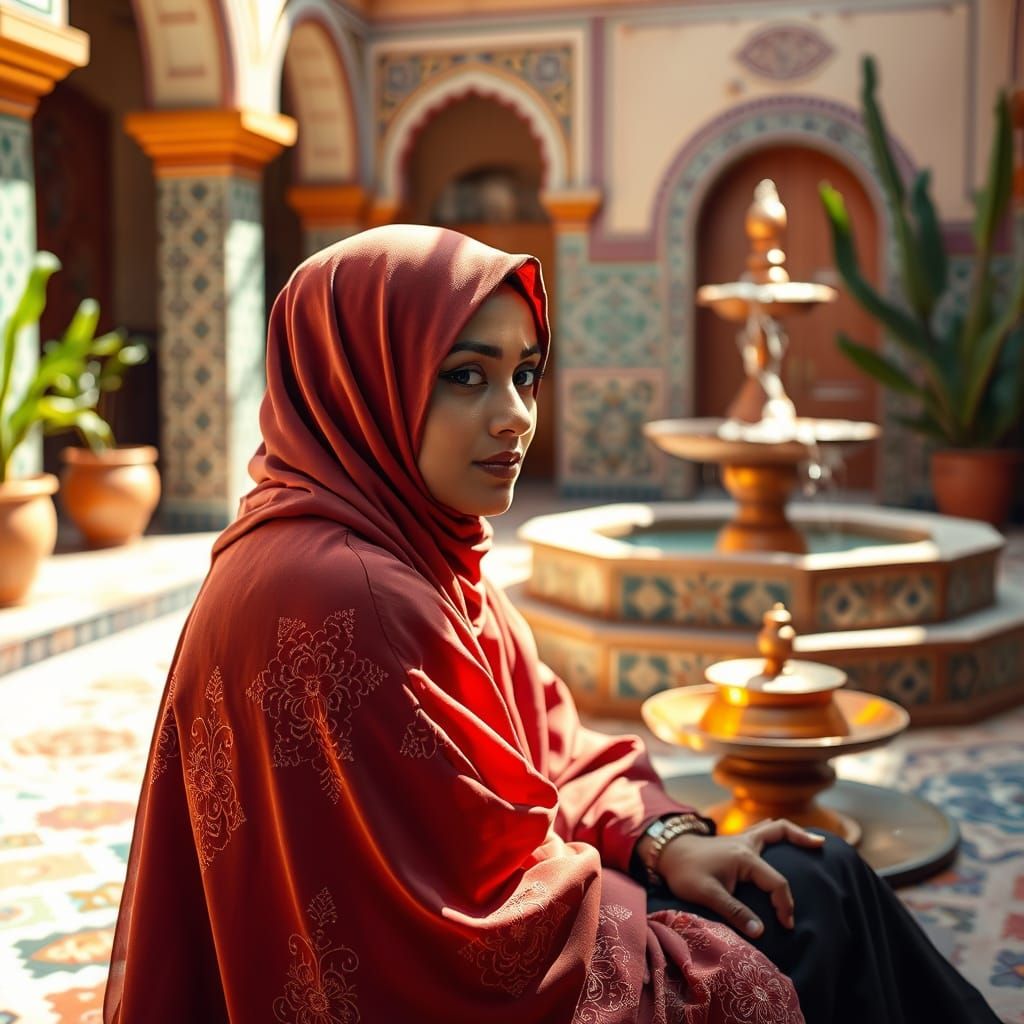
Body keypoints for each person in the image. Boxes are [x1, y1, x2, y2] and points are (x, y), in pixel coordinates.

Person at [104, 225, 1000, 1024]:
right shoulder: (354, 588)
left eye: (525, 372)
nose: (516, 417)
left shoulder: (376, 544)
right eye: (466, 376)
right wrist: (660, 926)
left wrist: (664, 836)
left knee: (805, 882)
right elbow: (475, 939)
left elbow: (545, 746)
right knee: (818, 901)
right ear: (358, 379)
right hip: (477, 981)